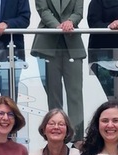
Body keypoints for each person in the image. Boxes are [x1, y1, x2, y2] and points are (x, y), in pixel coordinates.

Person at [32, 0, 86, 139]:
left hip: (72, 43)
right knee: (53, 93)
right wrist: (57, 26)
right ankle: (55, 135)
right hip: (48, 44)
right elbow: (43, 10)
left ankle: (77, 137)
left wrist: (70, 22)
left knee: (75, 93)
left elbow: (78, 12)